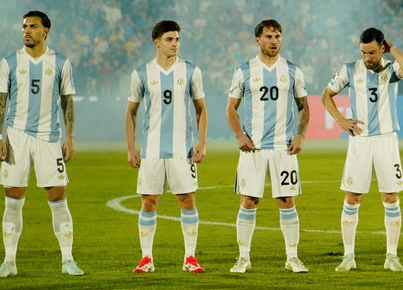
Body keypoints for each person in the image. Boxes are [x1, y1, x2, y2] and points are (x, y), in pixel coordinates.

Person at [0, 10, 85, 278]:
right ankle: (9, 261)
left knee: (58, 199)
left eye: (33, 26)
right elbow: (0, 102)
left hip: (49, 138)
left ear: (46, 31)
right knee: (12, 200)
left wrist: (70, 137)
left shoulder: (60, 63)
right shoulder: (9, 62)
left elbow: (67, 102)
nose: (27, 31)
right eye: (24, 26)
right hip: (16, 138)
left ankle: (68, 260)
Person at [322, 28, 403, 272]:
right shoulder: (349, 69)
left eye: (372, 52)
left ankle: (391, 256)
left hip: (386, 140)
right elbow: (327, 95)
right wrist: (340, 120)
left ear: (382, 48)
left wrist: (392, 48)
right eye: (363, 52)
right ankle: (348, 256)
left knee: (390, 197)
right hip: (360, 141)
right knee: (352, 197)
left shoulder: (391, 69)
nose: (367, 57)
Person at [226, 19, 310, 274]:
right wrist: (239, 135)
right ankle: (243, 258)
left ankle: (292, 257)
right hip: (254, 149)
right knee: (249, 200)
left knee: (287, 200)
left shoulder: (293, 70)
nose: (274, 41)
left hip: (284, 148)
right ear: (258, 40)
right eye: (269, 37)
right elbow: (231, 108)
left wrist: (300, 135)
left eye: (277, 36)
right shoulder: (244, 70)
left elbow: (304, 107)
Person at [125, 20, 208, 274]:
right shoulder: (141, 73)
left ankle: (190, 257)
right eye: (169, 39)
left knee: (187, 199)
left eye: (177, 39)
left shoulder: (191, 71)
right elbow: (131, 112)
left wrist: (202, 142)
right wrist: (131, 148)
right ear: (157, 42)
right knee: (149, 202)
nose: (175, 44)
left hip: (182, 150)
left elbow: (201, 109)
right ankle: (146, 258)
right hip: (151, 150)